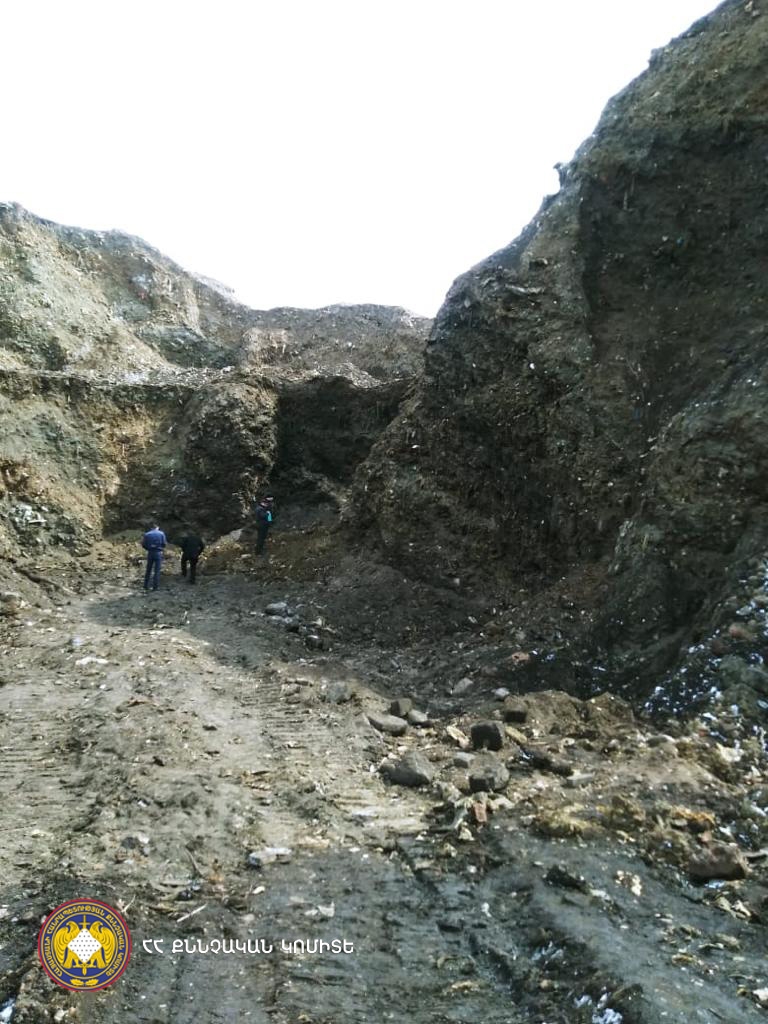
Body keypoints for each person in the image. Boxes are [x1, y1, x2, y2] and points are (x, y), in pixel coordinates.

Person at [141, 523, 167, 591]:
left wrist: (148, 548)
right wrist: (160, 548)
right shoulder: (161, 533)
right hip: (158, 552)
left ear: (151, 528)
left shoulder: (147, 534)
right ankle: (155, 587)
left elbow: (143, 544)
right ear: (157, 527)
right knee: (157, 570)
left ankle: (145, 586)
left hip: (150, 553)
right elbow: (164, 544)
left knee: (148, 569)